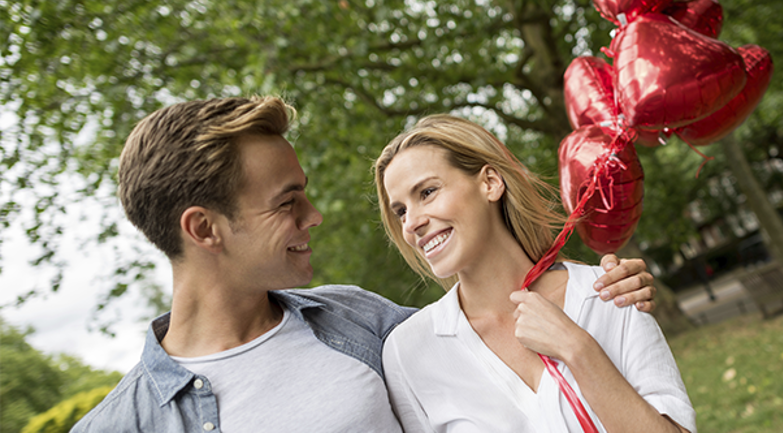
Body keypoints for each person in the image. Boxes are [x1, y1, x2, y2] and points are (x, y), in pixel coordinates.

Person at [71, 96, 657, 432]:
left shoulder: (359, 322)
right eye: (287, 202)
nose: (315, 215)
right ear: (204, 229)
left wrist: (593, 288)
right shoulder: (121, 426)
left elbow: (483, 326)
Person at [375, 114, 695, 432]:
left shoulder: (609, 293)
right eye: (401, 211)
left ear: (490, 183)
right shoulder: (409, 352)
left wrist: (578, 350)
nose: (412, 223)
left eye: (427, 192)